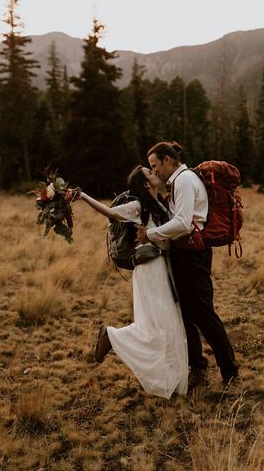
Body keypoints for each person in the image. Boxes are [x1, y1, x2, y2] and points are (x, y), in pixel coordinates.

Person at [69, 165, 188, 399]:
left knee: (169, 323)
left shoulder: (162, 204)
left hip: (163, 268)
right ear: (145, 184)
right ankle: (112, 336)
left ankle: (170, 379)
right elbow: (110, 213)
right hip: (148, 271)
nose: (155, 172)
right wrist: (82, 196)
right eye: (149, 173)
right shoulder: (137, 206)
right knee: (155, 324)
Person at [136, 142, 239, 390]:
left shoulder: (183, 181)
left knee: (203, 314)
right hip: (186, 254)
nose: (155, 170)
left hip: (194, 254)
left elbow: (182, 223)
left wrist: (150, 235)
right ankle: (198, 368)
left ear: (168, 159)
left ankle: (230, 372)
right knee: (188, 314)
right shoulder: (179, 181)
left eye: (155, 165)